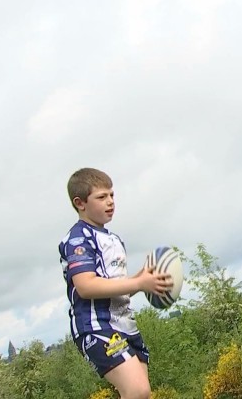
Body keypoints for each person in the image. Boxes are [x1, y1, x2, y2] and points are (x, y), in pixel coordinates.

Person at [58, 168, 172, 399]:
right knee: (138, 391)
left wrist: (142, 280)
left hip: (125, 325)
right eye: (101, 197)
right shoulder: (78, 239)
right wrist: (139, 282)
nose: (110, 202)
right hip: (96, 327)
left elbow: (115, 288)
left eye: (112, 195)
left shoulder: (113, 239)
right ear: (80, 203)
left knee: (141, 395)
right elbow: (86, 286)